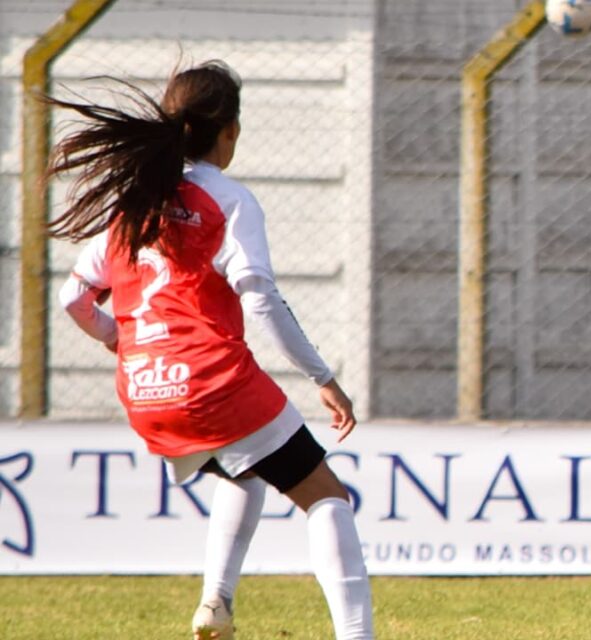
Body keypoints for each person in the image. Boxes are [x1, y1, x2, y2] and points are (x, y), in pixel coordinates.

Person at [47, 61, 374, 640]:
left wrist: (119, 340)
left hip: (145, 390)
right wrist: (322, 377)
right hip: (212, 382)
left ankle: (215, 603)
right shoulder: (228, 199)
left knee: (244, 468)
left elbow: (73, 298)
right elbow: (261, 298)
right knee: (328, 497)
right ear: (230, 131)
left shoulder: (133, 204)